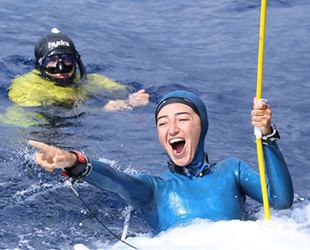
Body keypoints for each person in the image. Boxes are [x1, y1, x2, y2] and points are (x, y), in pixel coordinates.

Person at [28, 90, 293, 235]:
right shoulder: (155, 190)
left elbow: (280, 199)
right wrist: (74, 161)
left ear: (202, 125)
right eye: (163, 123)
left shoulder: (232, 171)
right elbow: (117, 179)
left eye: (183, 119)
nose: (172, 129)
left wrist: (267, 135)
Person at [0, 28, 149, 127]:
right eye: (51, 60)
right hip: (28, 130)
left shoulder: (91, 80)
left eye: (67, 59)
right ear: (40, 64)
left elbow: (120, 91)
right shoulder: (26, 85)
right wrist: (101, 109)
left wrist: (131, 101)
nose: (61, 67)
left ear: (76, 61)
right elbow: (49, 114)